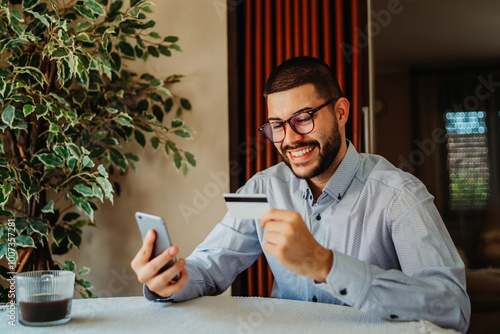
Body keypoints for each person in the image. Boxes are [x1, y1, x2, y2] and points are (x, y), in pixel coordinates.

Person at [131, 56, 470, 333]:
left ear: (340, 112)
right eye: (276, 125)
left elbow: (452, 307)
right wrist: (170, 281)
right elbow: (208, 267)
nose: (289, 138)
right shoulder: (262, 189)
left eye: (303, 118)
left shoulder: (400, 194)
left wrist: (326, 265)